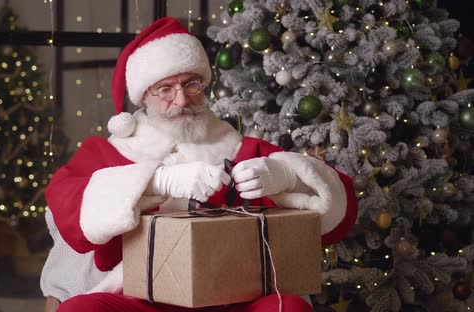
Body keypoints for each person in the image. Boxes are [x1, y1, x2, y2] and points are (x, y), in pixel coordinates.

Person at [40, 17, 358, 312]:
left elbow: (338, 212)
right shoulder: (111, 152)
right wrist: (157, 182)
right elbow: (66, 201)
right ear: (143, 97)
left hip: (233, 299)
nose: (181, 100)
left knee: (287, 308)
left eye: (190, 84)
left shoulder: (240, 149)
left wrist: (286, 174)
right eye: (165, 88)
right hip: (141, 298)